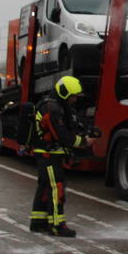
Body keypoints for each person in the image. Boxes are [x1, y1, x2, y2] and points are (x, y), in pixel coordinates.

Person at [29, 76, 94, 237]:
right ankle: (57, 225)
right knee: (56, 187)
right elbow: (61, 135)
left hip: (50, 153)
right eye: (73, 96)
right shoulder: (51, 108)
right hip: (48, 154)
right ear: (65, 93)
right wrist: (84, 142)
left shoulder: (58, 106)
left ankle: (38, 222)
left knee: (45, 187)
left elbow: (71, 126)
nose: (74, 100)